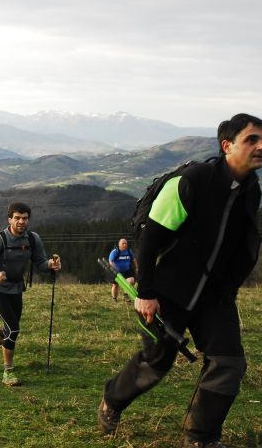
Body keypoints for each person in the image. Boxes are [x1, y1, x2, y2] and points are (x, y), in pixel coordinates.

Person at [98, 113, 262, 448]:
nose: (261, 146)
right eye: (252, 139)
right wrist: (145, 292)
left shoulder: (251, 190)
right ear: (227, 146)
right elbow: (150, 238)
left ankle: (201, 437)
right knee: (157, 362)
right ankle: (112, 400)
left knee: (229, 363)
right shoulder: (194, 180)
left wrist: (229, 287)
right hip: (168, 291)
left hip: (215, 296)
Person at [0, 202, 62, 387]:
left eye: (24, 218)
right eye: (17, 218)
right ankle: (8, 371)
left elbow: (40, 262)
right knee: (14, 330)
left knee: (9, 329)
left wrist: (50, 265)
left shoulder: (33, 239)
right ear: (9, 219)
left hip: (16, 289)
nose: (21, 222)